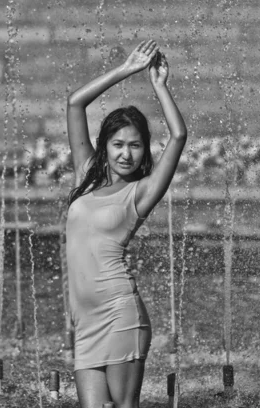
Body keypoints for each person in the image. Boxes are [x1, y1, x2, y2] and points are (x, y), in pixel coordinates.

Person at [65, 39, 187, 408]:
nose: (126, 153)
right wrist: (127, 68)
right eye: (118, 144)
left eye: (135, 146)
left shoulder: (141, 193)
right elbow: (75, 103)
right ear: (105, 146)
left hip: (121, 313)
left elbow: (179, 136)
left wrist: (159, 86)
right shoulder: (85, 174)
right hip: (85, 323)